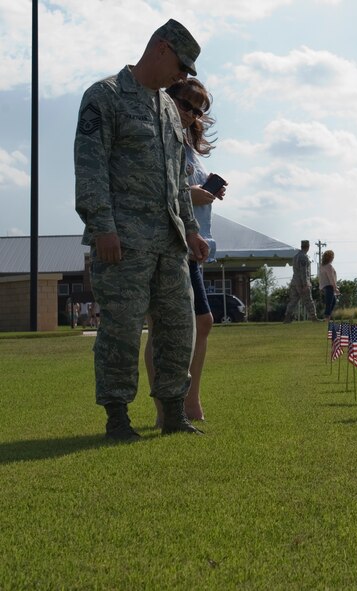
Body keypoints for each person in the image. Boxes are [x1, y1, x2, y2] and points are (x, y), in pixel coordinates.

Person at [74, 19, 208, 441]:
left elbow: (175, 178)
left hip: (169, 243)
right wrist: (102, 227)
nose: (182, 78)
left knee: (177, 327)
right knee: (121, 329)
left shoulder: (169, 108)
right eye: (181, 67)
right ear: (161, 48)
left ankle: (173, 413)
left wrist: (190, 230)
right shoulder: (105, 97)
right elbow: (90, 167)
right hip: (123, 241)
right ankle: (117, 418)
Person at [144, 77, 226, 425]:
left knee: (201, 323)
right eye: (186, 103)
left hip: (194, 243)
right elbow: (153, 188)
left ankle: (188, 401)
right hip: (168, 242)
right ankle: (170, 408)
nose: (191, 114)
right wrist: (191, 193)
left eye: (198, 110)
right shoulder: (156, 134)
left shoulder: (188, 143)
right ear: (169, 97)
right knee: (167, 327)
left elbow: (186, 186)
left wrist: (206, 192)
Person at [285, 240, 318, 322]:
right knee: (309, 301)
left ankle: (287, 317)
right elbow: (303, 271)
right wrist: (305, 284)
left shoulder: (295, 256)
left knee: (293, 301)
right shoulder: (303, 257)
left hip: (294, 282)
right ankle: (314, 317)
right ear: (308, 247)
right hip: (302, 283)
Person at [319, 249, 339, 320]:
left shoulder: (321, 266)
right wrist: (335, 288)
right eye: (332, 257)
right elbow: (331, 278)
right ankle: (326, 317)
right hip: (329, 286)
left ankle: (327, 316)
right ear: (330, 257)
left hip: (324, 286)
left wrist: (320, 287)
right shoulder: (329, 266)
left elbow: (320, 277)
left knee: (333, 301)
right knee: (330, 302)